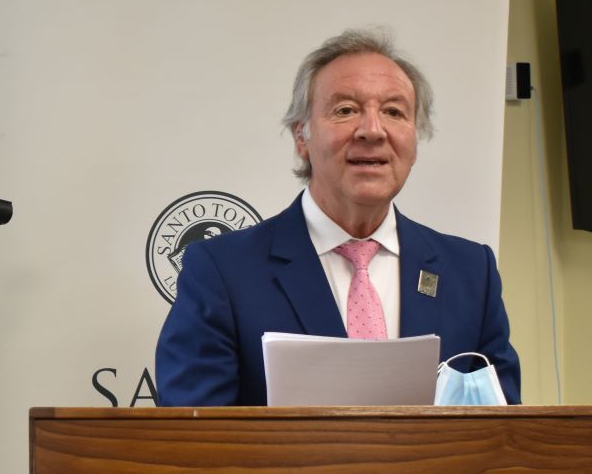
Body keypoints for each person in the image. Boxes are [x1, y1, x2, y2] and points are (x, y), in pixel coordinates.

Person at [155, 27, 520, 406]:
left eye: (394, 112)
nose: (372, 130)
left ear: (414, 141)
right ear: (302, 137)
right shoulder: (222, 271)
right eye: (346, 110)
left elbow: (505, 436)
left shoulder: (471, 273)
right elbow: (196, 440)